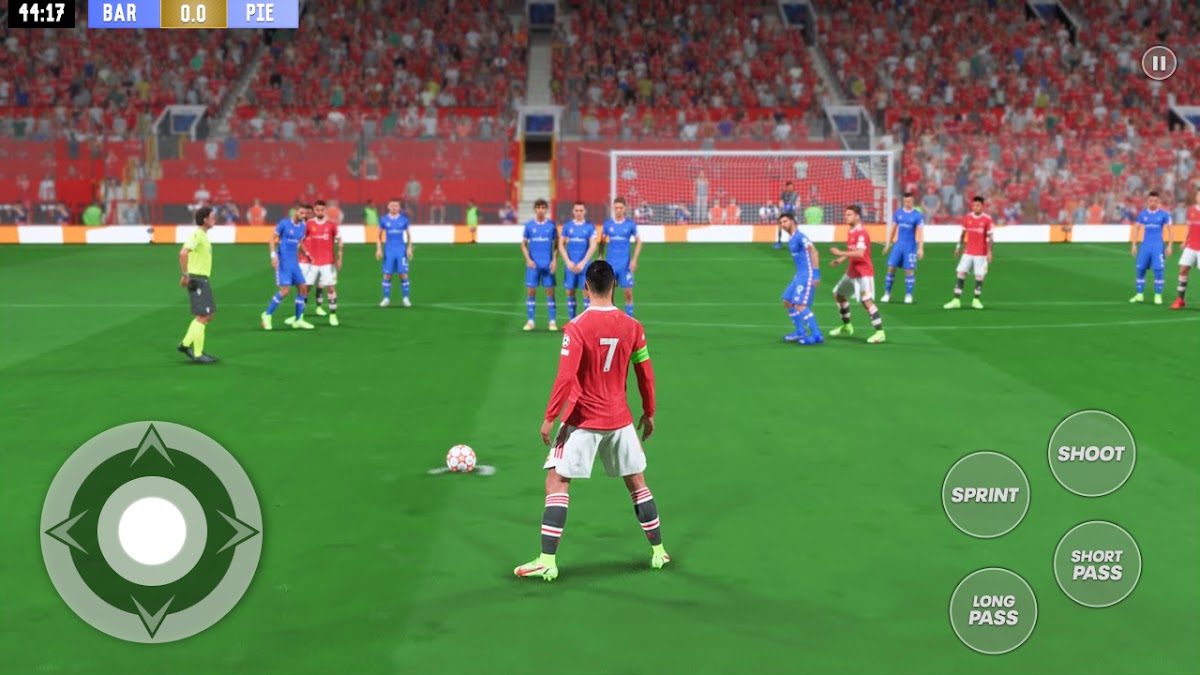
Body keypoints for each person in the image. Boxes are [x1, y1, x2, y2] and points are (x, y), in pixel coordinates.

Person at [514, 260, 667, 581]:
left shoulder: (577, 327)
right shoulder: (633, 327)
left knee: (556, 482)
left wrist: (549, 417)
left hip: (582, 419)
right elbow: (646, 375)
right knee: (637, 481)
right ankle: (658, 551)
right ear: (614, 286)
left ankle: (547, 560)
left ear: (585, 288)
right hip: (620, 420)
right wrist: (649, 412)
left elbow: (565, 376)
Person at [828, 205, 886, 343]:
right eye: (846, 214)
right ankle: (847, 325)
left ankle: (880, 332)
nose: (846, 217)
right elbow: (852, 250)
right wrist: (841, 259)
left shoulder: (862, 233)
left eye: (849, 214)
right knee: (838, 295)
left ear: (857, 216)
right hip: (852, 271)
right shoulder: (851, 231)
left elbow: (860, 253)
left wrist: (840, 252)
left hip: (864, 272)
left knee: (866, 302)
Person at [177, 207, 220, 363]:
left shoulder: (203, 236)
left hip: (201, 278)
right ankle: (198, 353)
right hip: (197, 279)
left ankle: (185, 345)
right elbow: (183, 253)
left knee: (207, 314)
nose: (215, 219)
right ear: (205, 220)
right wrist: (185, 275)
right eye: (212, 217)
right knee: (204, 315)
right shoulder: (197, 235)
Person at [261, 205, 315, 330]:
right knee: (285, 291)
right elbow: (272, 238)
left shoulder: (302, 227)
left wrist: (307, 254)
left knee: (303, 289)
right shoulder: (284, 224)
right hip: (283, 262)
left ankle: (298, 320)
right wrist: (273, 256)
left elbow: (299, 242)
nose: (303, 215)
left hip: (294, 263)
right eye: (301, 213)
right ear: (296, 212)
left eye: (305, 214)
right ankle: (267, 315)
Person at [296, 200, 343, 325]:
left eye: (322, 210)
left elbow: (339, 240)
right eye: (318, 210)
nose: (320, 212)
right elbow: (300, 241)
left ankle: (333, 315)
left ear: (325, 210)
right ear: (314, 210)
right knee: (305, 289)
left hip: (328, 263)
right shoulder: (309, 224)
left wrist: (339, 257)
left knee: (331, 289)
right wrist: (305, 254)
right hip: (312, 263)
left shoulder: (331, 225)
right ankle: (300, 317)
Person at [779, 213, 823, 344]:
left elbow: (814, 252)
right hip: (799, 275)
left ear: (792, 221)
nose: (782, 224)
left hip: (807, 274)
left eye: (785, 221)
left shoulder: (800, 237)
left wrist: (816, 273)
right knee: (787, 300)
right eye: (781, 223)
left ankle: (817, 335)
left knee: (799, 305)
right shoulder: (791, 238)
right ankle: (800, 332)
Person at [944, 196, 994, 310]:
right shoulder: (967, 217)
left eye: (978, 205)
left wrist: (990, 252)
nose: (975, 207)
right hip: (968, 251)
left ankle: (976, 300)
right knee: (961, 273)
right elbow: (963, 234)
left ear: (982, 206)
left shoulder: (987, 219)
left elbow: (990, 237)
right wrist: (958, 247)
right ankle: (956, 300)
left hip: (981, 253)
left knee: (979, 276)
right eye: (974, 205)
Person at [598, 196, 642, 317]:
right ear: (613, 208)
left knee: (628, 293)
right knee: (609, 295)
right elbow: (602, 241)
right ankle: (612, 319)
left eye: (620, 208)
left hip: (625, 265)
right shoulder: (608, 224)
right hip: (611, 264)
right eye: (616, 208)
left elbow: (639, 242)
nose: (618, 210)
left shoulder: (630, 224)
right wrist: (600, 256)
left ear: (625, 209)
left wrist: (634, 260)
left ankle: (630, 320)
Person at [1130, 191, 1174, 305]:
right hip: (1145, 246)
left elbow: (1170, 230)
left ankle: (1158, 295)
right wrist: (1134, 244)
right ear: (1147, 201)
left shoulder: (1164, 215)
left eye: (1155, 201)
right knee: (1140, 269)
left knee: (1158, 270)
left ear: (1158, 202)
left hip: (1157, 246)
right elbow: (1136, 229)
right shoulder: (1142, 214)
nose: (1153, 202)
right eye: (1151, 200)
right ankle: (1139, 295)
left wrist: (1170, 246)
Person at [521, 198, 559, 331]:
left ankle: (552, 321)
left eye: (543, 207)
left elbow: (557, 245)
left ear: (546, 209)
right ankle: (530, 321)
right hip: (533, 265)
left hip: (547, 265)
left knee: (550, 292)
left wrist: (554, 260)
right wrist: (528, 259)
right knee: (531, 291)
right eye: (538, 207)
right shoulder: (529, 226)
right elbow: (523, 244)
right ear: (535, 209)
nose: (540, 210)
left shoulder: (551, 226)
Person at [881, 192, 925, 304]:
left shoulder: (917, 215)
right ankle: (887, 294)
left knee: (909, 270)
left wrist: (920, 248)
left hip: (910, 247)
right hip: (898, 245)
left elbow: (920, 233)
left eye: (909, 201)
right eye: (905, 201)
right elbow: (893, 229)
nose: (907, 203)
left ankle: (909, 295)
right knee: (891, 268)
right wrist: (888, 243)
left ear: (912, 201)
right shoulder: (898, 213)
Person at [559, 201, 599, 319]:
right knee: (570, 292)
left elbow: (593, 245)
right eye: (576, 210)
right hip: (570, 265)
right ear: (573, 211)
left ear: (585, 211)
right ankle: (572, 320)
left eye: (581, 210)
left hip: (585, 266)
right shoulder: (567, 226)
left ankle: (585, 321)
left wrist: (583, 262)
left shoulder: (590, 227)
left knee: (586, 293)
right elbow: (561, 244)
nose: (578, 213)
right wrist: (568, 262)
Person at [377, 199, 413, 307]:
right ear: (388, 207)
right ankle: (386, 298)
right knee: (387, 274)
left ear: (399, 207)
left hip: (401, 250)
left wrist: (409, 248)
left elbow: (409, 235)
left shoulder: (404, 219)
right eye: (392, 205)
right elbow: (378, 236)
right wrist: (379, 249)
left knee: (403, 274)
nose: (394, 207)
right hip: (389, 250)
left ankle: (406, 298)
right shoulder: (383, 219)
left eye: (396, 206)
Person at [1171, 188, 1200, 309]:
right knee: (1183, 269)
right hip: (1191, 245)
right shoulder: (1191, 210)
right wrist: (1184, 240)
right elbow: (1188, 227)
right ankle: (1180, 299)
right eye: (1198, 195)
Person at [775, 180, 799, 248]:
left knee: (795, 227)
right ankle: (779, 242)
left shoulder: (796, 194)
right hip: (784, 212)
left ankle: (796, 242)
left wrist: (795, 207)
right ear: (786, 187)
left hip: (792, 213)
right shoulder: (783, 194)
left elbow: (798, 202)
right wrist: (784, 207)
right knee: (780, 225)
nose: (791, 188)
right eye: (790, 187)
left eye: (792, 187)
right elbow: (780, 202)